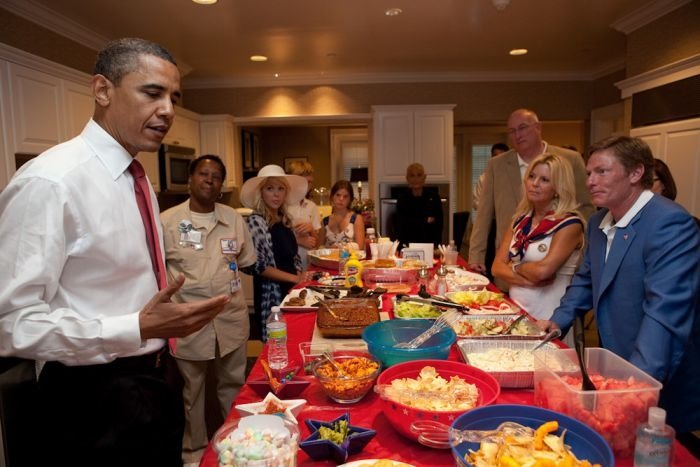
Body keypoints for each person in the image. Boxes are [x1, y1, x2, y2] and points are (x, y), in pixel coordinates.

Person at [0, 38, 230, 466]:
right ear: (103, 90)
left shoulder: (134, 177)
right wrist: (133, 327)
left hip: (155, 376)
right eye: (152, 92)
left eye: (173, 98)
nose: (167, 110)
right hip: (90, 394)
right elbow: (12, 324)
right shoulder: (51, 182)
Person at [538, 136, 700, 435]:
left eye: (602, 172)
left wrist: (635, 386)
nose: (591, 181)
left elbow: (664, 313)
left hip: (659, 369)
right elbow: (585, 280)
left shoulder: (669, 222)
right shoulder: (598, 222)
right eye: (588, 173)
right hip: (616, 362)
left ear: (636, 173)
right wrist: (558, 321)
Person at [161, 155, 256, 465]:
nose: (209, 180)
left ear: (221, 184)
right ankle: (193, 454)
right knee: (192, 393)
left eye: (216, 176)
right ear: (191, 178)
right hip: (186, 320)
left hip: (230, 317)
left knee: (233, 385)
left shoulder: (233, 219)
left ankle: (239, 445)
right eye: (203, 174)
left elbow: (244, 261)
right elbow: (155, 271)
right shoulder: (167, 222)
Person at [468, 108, 594, 291]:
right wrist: (476, 258)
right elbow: (484, 214)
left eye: (522, 128)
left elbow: (586, 209)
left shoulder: (570, 159)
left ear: (538, 127)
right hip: (508, 261)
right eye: (512, 131)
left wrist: (584, 258)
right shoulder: (497, 164)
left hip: (558, 265)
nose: (517, 135)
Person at [491, 154, 585, 346]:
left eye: (544, 180)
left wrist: (515, 267)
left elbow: (543, 272)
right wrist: (528, 277)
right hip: (517, 311)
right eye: (531, 176)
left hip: (549, 316)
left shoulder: (569, 224)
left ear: (559, 187)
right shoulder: (519, 221)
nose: (534, 184)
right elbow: (496, 268)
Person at [239, 164, 310, 341]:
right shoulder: (256, 222)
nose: (276, 194)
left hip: (291, 291)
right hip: (271, 295)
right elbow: (259, 266)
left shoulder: (285, 220)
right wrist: (295, 279)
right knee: (276, 342)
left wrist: (299, 277)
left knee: (295, 339)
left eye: (280, 189)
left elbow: (293, 256)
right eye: (270, 189)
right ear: (261, 193)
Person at [396, 162, 443, 248]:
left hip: (430, 246)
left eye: (419, 175)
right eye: (412, 175)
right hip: (407, 246)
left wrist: (414, 222)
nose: (416, 179)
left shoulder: (434, 197)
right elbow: (402, 226)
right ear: (407, 178)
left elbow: (438, 226)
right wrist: (426, 220)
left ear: (424, 178)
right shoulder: (403, 198)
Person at [286, 160, 321, 270]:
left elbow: (318, 244)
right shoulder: (282, 205)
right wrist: (298, 241)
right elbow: (273, 241)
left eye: (310, 182)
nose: (307, 186)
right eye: (304, 182)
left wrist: (311, 230)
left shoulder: (311, 206)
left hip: (308, 264)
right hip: (287, 265)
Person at [318, 180, 366, 250]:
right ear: (332, 197)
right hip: (329, 260)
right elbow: (319, 248)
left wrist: (340, 247)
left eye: (345, 196)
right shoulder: (325, 221)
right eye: (338, 195)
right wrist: (329, 249)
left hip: (351, 260)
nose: (341, 199)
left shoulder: (356, 219)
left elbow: (360, 247)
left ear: (350, 200)